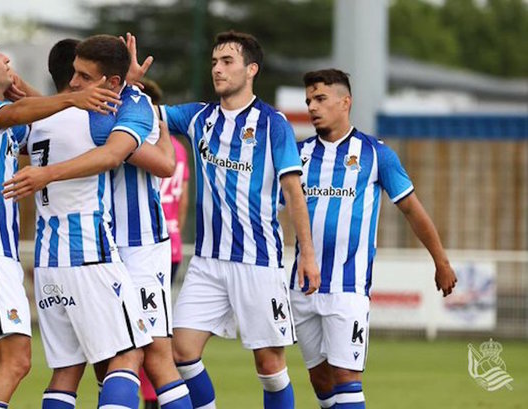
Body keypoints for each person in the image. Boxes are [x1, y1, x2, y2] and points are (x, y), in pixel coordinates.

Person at [3, 34, 192, 409]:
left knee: (150, 357)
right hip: (96, 249)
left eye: (85, 77)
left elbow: (162, 165)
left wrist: (145, 105)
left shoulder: (120, 108)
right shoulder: (89, 109)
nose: (76, 84)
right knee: (116, 363)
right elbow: (161, 160)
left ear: (111, 81)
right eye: (74, 75)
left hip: (137, 247)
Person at [0, 33, 121, 409]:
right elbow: (17, 114)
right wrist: (73, 96)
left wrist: (73, 95)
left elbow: (45, 125)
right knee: (18, 360)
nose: (5, 57)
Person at [157, 31, 321, 409]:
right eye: (214, 62)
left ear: (251, 70)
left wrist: (306, 255)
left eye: (227, 61)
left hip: (258, 261)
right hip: (208, 262)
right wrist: (130, 82)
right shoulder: (198, 117)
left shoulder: (271, 124)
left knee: (269, 365)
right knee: (180, 350)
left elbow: (294, 192)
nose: (218, 68)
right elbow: (148, 113)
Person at [290, 68, 458, 409]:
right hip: (302, 285)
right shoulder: (298, 154)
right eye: (309, 100)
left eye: (320, 98)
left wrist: (441, 262)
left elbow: (412, 209)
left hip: (348, 289)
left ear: (345, 102)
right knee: (319, 378)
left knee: (346, 378)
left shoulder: (375, 154)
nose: (312, 107)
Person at [138, 78, 191, 409]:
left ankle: (150, 398)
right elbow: (182, 201)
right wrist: (177, 233)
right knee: (156, 328)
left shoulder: (142, 144)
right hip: (170, 244)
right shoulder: (179, 148)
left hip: (145, 245)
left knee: (141, 335)